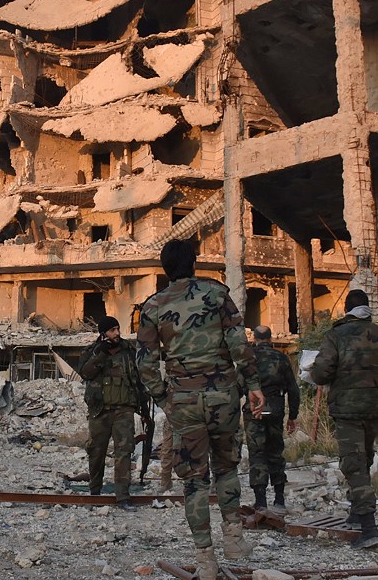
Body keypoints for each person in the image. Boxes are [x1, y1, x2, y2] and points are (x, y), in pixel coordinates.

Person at [137, 239, 264, 579]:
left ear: (165, 268)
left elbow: (146, 364)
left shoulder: (153, 305)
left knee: (193, 481)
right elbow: (239, 344)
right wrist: (252, 385)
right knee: (226, 468)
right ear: (193, 262)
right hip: (223, 396)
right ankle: (234, 539)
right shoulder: (218, 293)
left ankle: (206, 560)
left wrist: (165, 398)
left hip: (184, 402)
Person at [313, 289, 378, 550]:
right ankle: (357, 514)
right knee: (365, 457)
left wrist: (313, 372)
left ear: (346, 309)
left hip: (348, 410)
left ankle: (368, 528)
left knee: (354, 463)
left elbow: (322, 373)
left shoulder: (335, 335)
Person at [78, 315, 147, 510]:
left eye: (117, 329)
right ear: (103, 333)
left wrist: (143, 405)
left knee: (124, 452)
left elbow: (139, 377)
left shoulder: (128, 351)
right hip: (99, 411)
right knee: (96, 452)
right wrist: (100, 354)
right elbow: (85, 372)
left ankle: (123, 497)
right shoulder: (92, 351)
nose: (117, 333)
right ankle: (95, 493)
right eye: (112, 330)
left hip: (124, 410)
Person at [244, 325, 300, 513]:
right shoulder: (281, 358)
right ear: (269, 339)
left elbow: (236, 385)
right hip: (274, 407)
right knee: (275, 452)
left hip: (254, 408)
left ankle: (260, 501)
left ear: (255, 338)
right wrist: (293, 415)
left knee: (257, 453)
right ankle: (279, 499)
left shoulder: (248, 358)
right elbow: (293, 389)